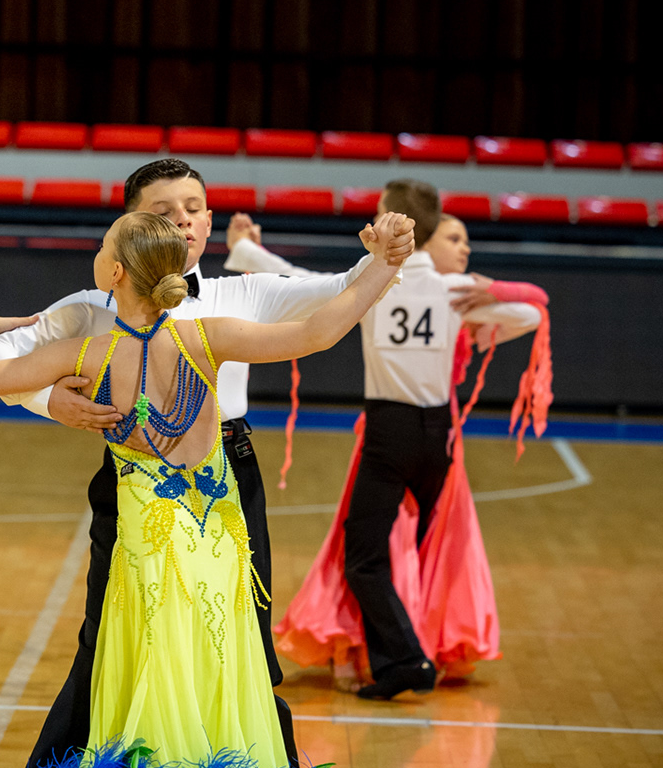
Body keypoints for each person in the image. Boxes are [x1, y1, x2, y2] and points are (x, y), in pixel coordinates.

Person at [0, 210, 414, 768]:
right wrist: (384, 266)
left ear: (114, 273)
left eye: (103, 249)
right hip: (218, 544)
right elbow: (320, 331)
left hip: (147, 550)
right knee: (218, 684)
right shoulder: (206, 336)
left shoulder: (88, 351)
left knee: (152, 687)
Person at [232, 191, 550, 695]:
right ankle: (410, 651)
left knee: (364, 556)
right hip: (439, 437)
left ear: (397, 219)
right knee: (420, 551)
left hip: (389, 432)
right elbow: (531, 315)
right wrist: (489, 292)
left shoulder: (379, 280)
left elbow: (296, 279)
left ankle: (404, 660)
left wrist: (246, 250)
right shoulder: (453, 288)